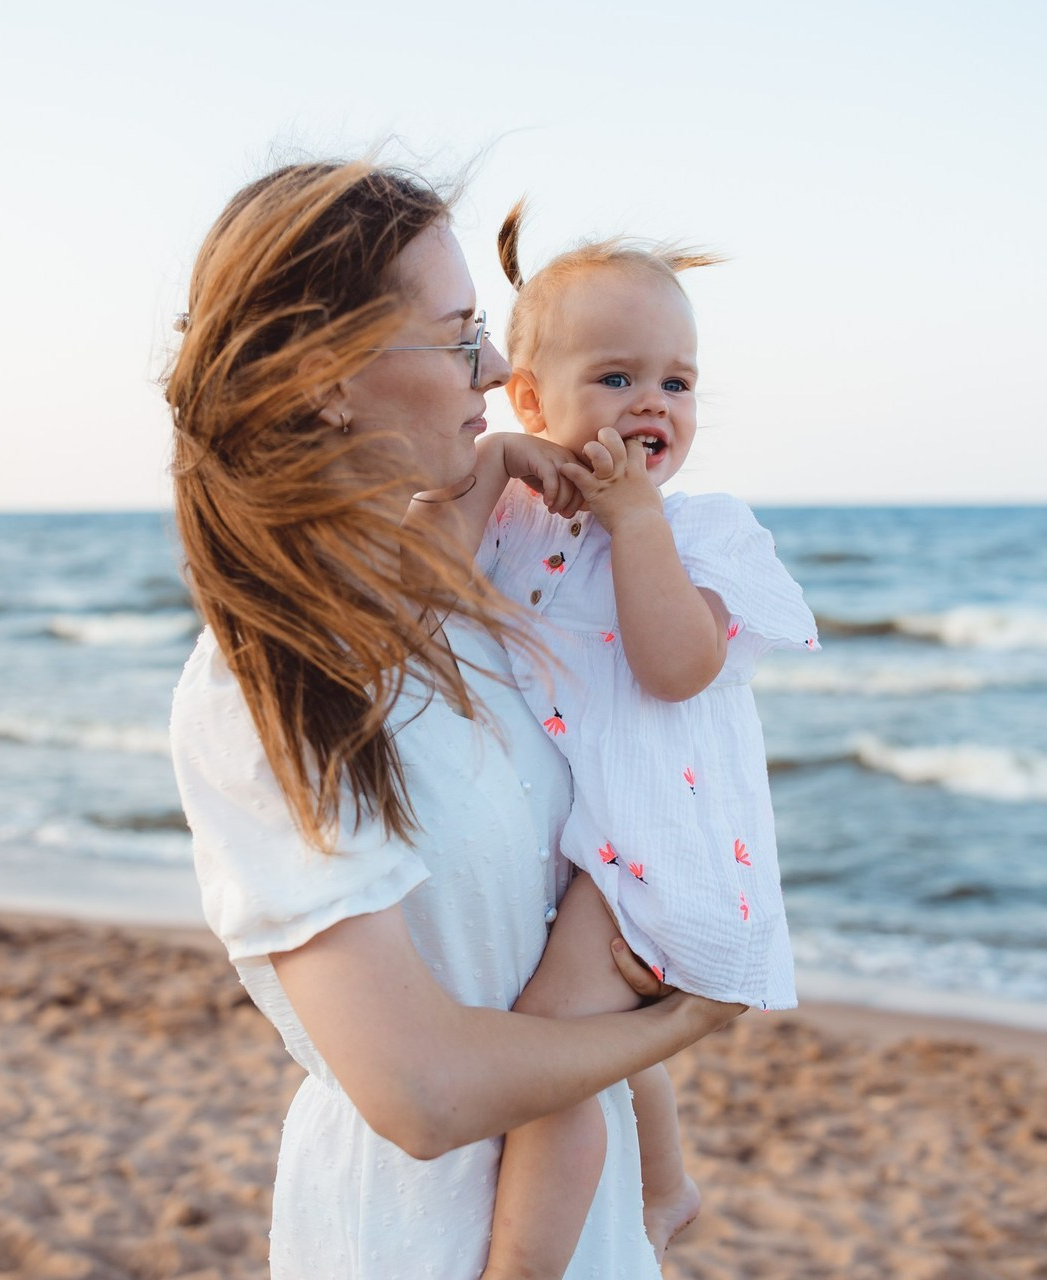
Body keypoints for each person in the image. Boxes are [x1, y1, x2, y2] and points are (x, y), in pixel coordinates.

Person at [166, 160, 744, 1280]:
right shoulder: (264, 686)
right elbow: (420, 1092)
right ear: (328, 377)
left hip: (587, 1203)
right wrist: (678, 1027)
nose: (494, 366)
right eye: (457, 334)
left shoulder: (481, 582)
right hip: (416, 1235)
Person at [440, 205, 819, 1279]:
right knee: (580, 1026)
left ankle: (522, 1267)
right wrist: (493, 466)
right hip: (583, 842)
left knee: (547, 1056)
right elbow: (418, 581)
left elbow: (677, 664)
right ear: (527, 397)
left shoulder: (704, 530)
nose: (651, 401)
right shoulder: (515, 514)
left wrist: (636, 523)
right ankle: (665, 1183)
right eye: (613, 378)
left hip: (665, 848)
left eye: (676, 381)